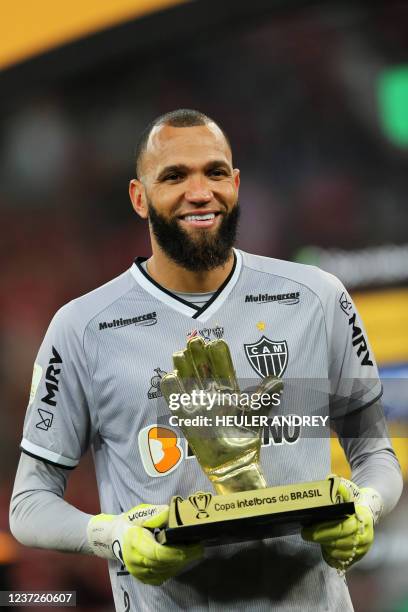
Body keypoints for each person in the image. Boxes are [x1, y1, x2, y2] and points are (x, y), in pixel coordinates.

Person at [10, 109, 402, 611]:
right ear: (139, 196)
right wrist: (114, 537)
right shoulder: (81, 328)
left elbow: (375, 456)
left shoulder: (316, 298)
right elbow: (28, 504)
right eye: (174, 176)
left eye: (215, 172)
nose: (200, 192)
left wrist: (365, 509)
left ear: (235, 183)